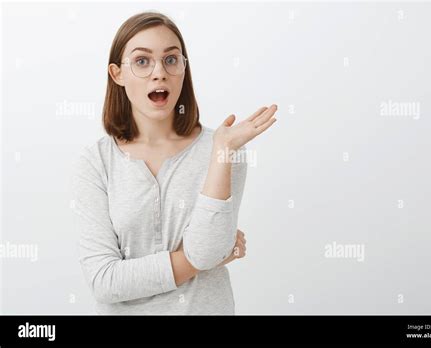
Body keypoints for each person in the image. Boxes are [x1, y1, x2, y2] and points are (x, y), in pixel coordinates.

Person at [71, 11, 277, 315]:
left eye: (171, 59)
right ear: (117, 74)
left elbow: (209, 251)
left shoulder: (223, 147)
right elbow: (105, 281)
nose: (159, 72)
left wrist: (222, 150)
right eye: (142, 61)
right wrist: (199, 258)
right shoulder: (95, 162)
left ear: (183, 67)